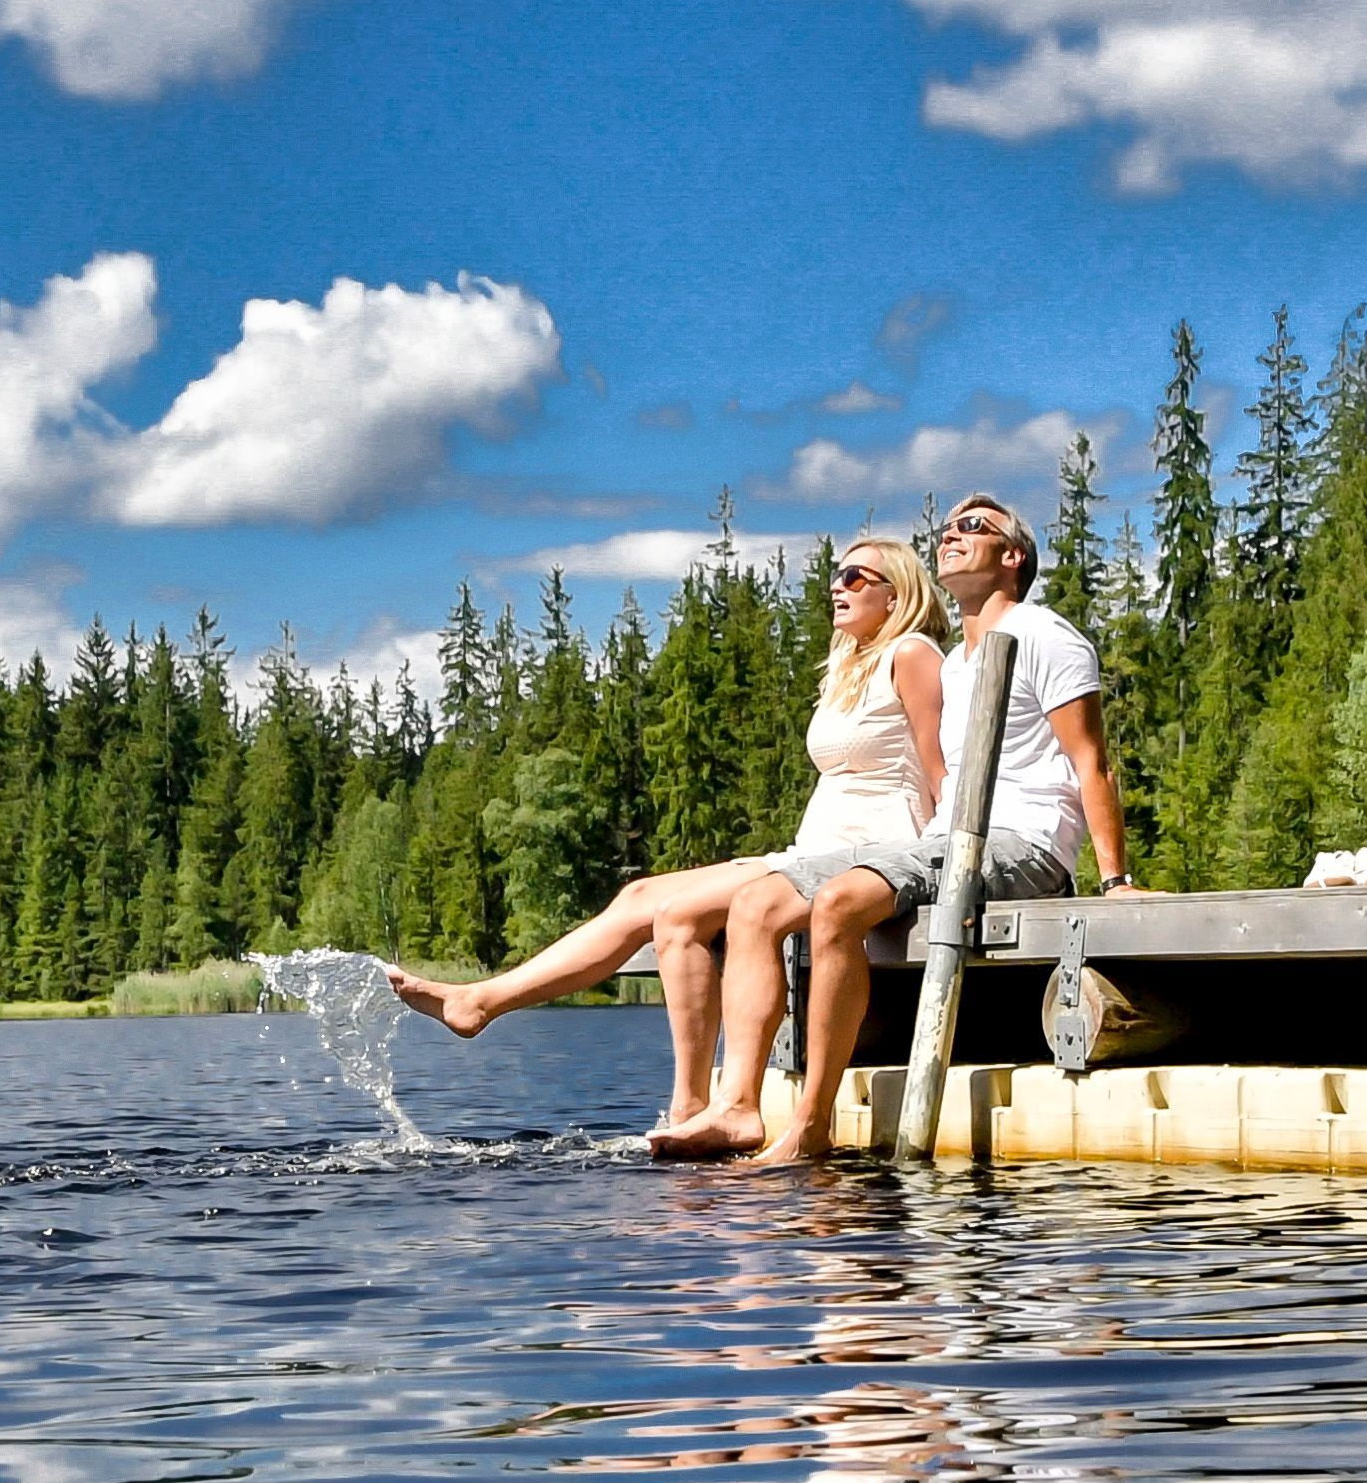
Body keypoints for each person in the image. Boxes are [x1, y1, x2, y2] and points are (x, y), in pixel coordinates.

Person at [389, 537, 948, 1139]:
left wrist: (945, 862)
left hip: (873, 852)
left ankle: (718, 1107)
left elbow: (944, 769)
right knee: (643, 899)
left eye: (856, 577)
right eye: (836, 575)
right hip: (814, 850)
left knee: (679, 913)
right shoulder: (849, 665)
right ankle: (676, 1102)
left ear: (897, 595)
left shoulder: (912, 654)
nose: (837, 585)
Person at [663, 492, 1128, 1165]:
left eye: (974, 527)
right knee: (756, 903)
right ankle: (735, 1107)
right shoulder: (959, 662)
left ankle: (810, 1126)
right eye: (948, 528)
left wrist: (1115, 881)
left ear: (1012, 557)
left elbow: (1093, 762)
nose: (952, 535)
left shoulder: (1044, 635)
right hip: (945, 840)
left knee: (839, 902)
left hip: (1023, 843)